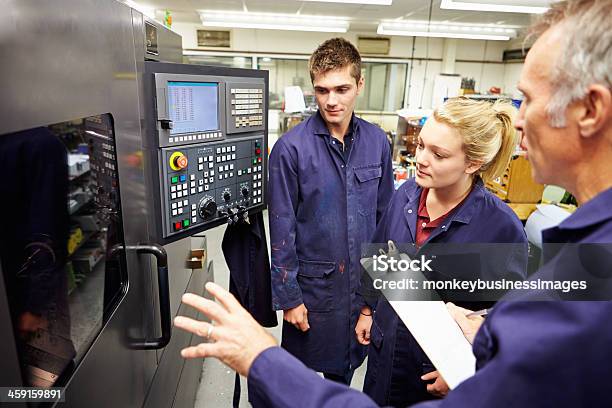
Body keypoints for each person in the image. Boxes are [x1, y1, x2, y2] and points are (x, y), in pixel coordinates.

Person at [174, 0, 612, 406]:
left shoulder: (538, 248)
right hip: (378, 344)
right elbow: (414, 279)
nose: (517, 119)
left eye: (530, 99)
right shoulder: (408, 201)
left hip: (422, 368)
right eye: (420, 147)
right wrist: (456, 330)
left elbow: (489, 304)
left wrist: (262, 358)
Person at [357, 97, 528, 407]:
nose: (422, 159)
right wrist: (368, 309)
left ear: (473, 163)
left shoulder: (502, 229)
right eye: (422, 146)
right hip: (385, 355)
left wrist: (467, 368)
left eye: (438, 154)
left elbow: (508, 322)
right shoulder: (406, 195)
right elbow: (380, 255)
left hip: (435, 375)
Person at [268, 37, 394, 384]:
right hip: (314, 292)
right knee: (298, 382)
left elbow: (386, 225)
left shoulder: (377, 142)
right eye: (322, 90)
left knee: (343, 377)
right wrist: (290, 299)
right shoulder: (289, 150)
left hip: (360, 292)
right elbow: (281, 229)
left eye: (342, 89)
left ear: (360, 84)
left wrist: (372, 304)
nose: (331, 101)